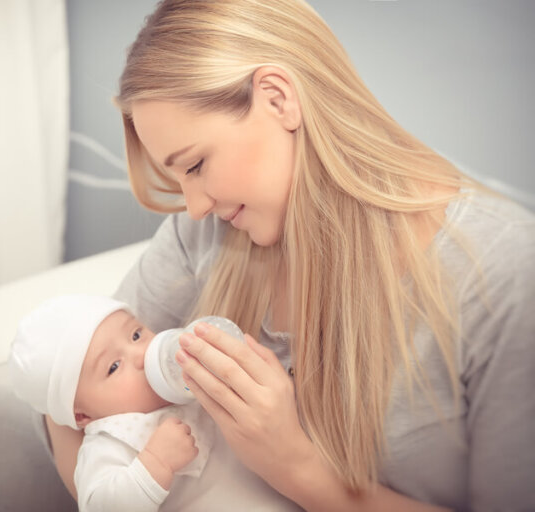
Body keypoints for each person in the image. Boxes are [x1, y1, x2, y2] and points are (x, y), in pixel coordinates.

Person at [45, 1, 535, 511]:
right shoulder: (206, 235)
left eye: (195, 165)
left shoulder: (502, 274)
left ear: (279, 99)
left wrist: (295, 466)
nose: (194, 207)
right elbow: (66, 397)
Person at [9, 294, 303, 512]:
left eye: (136, 335)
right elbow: (100, 506)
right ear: (83, 416)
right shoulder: (110, 444)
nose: (140, 355)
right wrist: (154, 463)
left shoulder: (193, 384)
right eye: (113, 367)